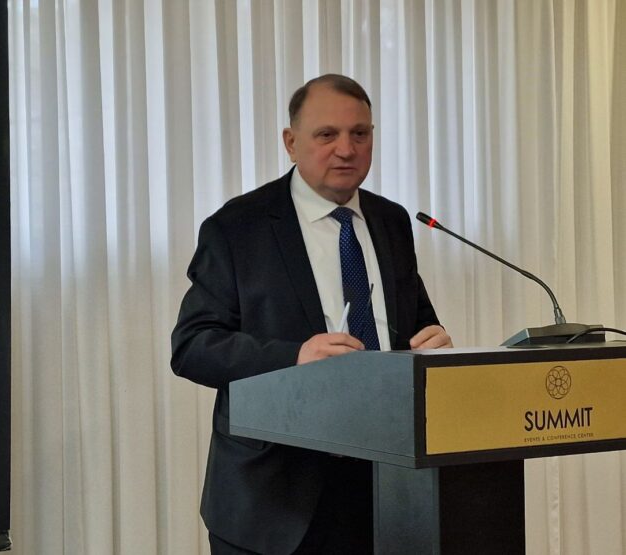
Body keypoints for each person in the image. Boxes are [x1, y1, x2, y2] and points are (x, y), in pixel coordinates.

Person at [171, 74, 452, 555]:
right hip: (274, 499)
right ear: (291, 142)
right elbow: (193, 346)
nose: (346, 149)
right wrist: (295, 356)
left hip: (385, 486)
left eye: (359, 134)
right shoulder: (238, 227)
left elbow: (414, 322)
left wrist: (433, 343)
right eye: (327, 134)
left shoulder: (391, 221)